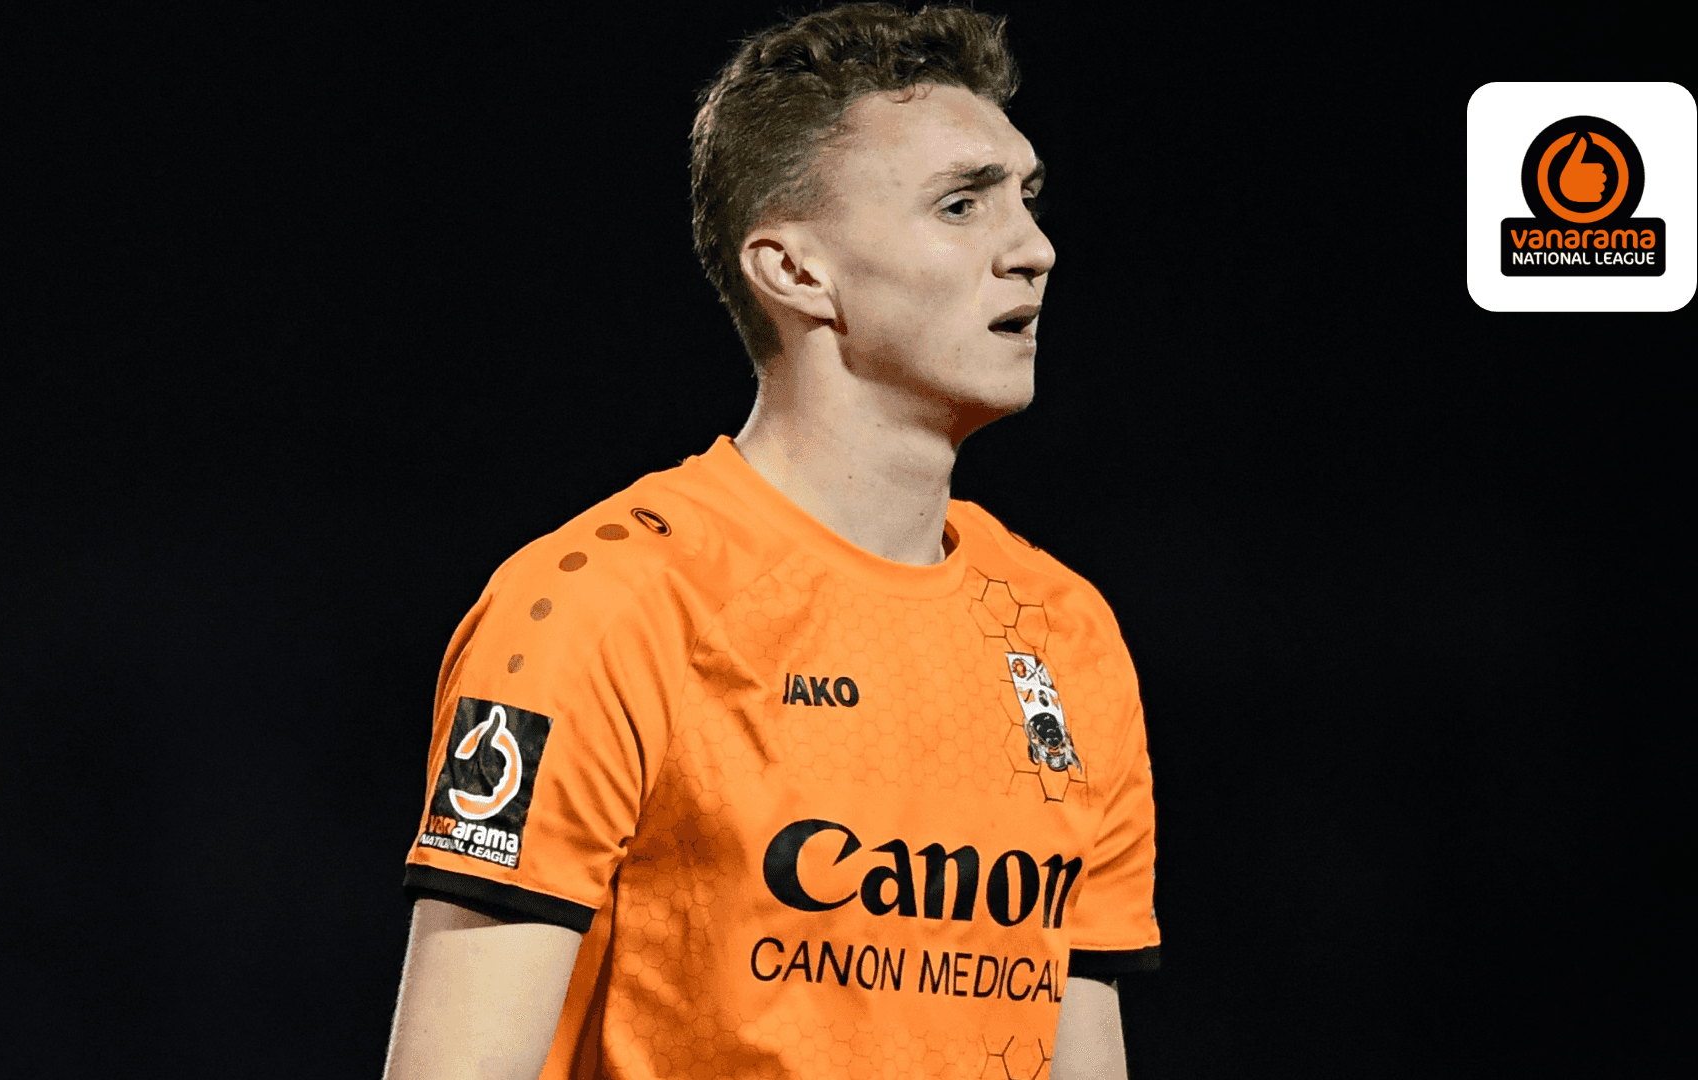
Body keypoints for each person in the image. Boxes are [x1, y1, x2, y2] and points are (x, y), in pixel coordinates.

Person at [382, 5, 1159, 1077]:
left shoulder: (1067, 633)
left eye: (1026, 199)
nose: (1034, 249)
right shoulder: (602, 604)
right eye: (961, 204)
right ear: (795, 272)